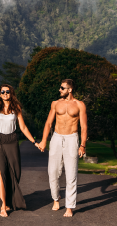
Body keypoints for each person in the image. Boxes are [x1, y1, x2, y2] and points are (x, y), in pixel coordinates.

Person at [0, 84, 39, 217]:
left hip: (12, 141)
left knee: (15, 172)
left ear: (11, 93)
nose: (5, 94)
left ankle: (9, 199)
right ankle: (3, 205)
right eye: (2, 92)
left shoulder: (16, 108)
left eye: (8, 91)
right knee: (1, 173)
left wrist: (34, 142)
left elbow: (22, 127)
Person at [37, 78, 87, 217]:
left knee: (71, 174)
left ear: (70, 90)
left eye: (62, 88)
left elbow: (84, 127)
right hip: (57, 138)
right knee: (53, 172)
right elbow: (48, 123)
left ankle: (69, 207)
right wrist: (43, 141)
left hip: (72, 138)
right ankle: (56, 197)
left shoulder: (80, 105)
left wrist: (82, 145)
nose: (59, 90)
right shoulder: (55, 104)